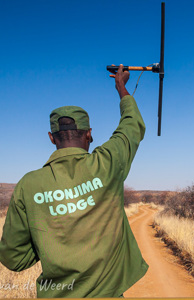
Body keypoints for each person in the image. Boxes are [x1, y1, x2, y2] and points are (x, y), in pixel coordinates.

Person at [0, 65, 149, 298]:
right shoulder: (107, 164)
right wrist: (121, 87)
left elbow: (13, 258)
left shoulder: (28, 185)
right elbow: (132, 126)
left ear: (51, 138)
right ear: (89, 133)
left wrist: (49, 242)